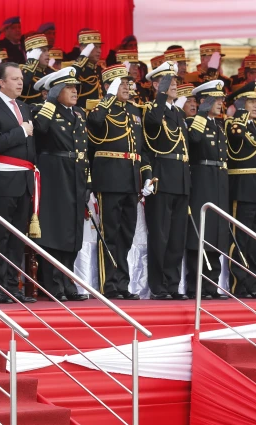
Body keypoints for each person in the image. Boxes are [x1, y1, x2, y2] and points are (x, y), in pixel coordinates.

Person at [0, 62, 37, 304]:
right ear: (1, 82)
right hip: (1, 178)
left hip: (24, 179)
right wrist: (22, 131)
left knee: (17, 237)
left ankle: (13, 286)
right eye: (14, 79)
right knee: (0, 236)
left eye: (21, 78)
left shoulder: (25, 107)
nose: (20, 82)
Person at [87, 64, 146, 300]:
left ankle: (122, 283)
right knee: (109, 234)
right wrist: (109, 96)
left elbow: (141, 148)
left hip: (131, 179)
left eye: (126, 83)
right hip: (110, 178)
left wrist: (146, 174)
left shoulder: (133, 110)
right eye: (120, 83)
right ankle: (109, 284)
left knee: (126, 235)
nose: (126, 87)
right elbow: (95, 123)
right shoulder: (101, 109)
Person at [31, 67, 89, 301]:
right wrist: (51, 102)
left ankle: (67, 281)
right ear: (54, 91)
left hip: (75, 174)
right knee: (55, 231)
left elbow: (85, 148)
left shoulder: (79, 114)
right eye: (68, 87)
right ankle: (53, 284)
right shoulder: (44, 110)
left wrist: (88, 180)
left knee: (72, 231)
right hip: (54, 174)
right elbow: (40, 129)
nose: (75, 91)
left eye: (76, 87)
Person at [141, 62, 188, 300]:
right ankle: (158, 285)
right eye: (169, 82)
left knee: (176, 237)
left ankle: (172, 284)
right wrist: (160, 96)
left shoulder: (178, 113)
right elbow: (152, 125)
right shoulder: (151, 108)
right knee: (160, 235)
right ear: (157, 85)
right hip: (162, 176)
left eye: (176, 81)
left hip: (179, 178)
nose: (175, 85)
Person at [185, 80, 229, 299]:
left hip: (219, 180)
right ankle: (197, 286)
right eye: (215, 99)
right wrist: (201, 114)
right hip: (202, 180)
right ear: (203, 101)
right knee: (200, 234)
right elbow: (194, 139)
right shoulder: (195, 121)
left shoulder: (218, 125)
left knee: (217, 234)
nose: (220, 103)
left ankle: (211, 286)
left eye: (221, 99)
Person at [225, 82, 256, 298]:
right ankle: (238, 285)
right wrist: (240, 111)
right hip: (242, 189)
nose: (255, 106)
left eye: (255, 102)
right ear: (240, 103)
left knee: (254, 242)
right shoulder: (234, 124)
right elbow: (237, 138)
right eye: (250, 102)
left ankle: (252, 284)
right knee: (240, 240)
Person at [72, 30, 102, 109]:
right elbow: (70, 77)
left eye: (100, 47)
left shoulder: (101, 70)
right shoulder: (78, 69)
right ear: (83, 48)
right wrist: (83, 56)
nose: (99, 51)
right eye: (95, 47)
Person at [19, 34, 51, 104]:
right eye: (43, 51)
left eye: (47, 50)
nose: (48, 54)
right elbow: (23, 85)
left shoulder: (51, 71)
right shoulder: (22, 72)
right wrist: (32, 61)